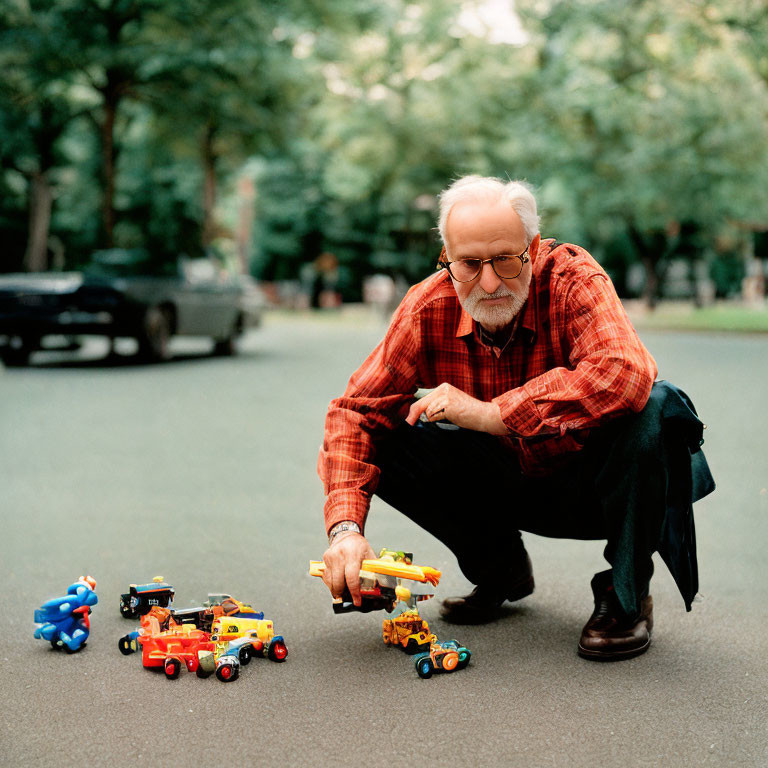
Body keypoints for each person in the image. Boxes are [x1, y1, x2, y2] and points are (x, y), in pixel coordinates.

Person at [317, 175, 714, 660]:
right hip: (506, 482)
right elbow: (354, 412)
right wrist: (345, 531)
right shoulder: (428, 306)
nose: (489, 282)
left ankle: (625, 594)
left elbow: (625, 373)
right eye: (468, 264)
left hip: (592, 486)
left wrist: (492, 414)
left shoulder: (573, 278)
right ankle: (499, 566)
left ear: (531, 246)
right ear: (447, 257)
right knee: (389, 428)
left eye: (505, 259)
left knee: (653, 408)